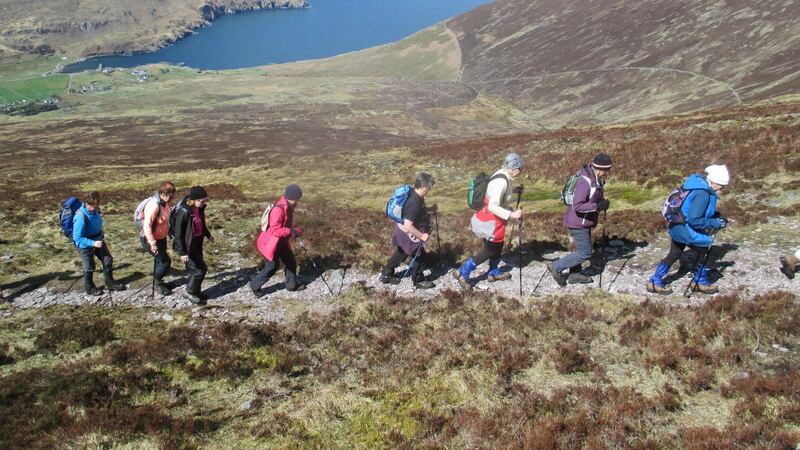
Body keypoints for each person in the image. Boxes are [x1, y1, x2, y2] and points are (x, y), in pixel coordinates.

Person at [646, 165, 730, 294]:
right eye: (722, 186)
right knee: (711, 251)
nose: (723, 190)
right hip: (686, 230)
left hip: (676, 226)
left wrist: (715, 216)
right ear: (715, 182)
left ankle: (654, 281)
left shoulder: (696, 186)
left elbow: (694, 211)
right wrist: (717, 223)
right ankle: (700, 282)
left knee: (674, 254)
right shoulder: (703, 194)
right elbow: (694, 219)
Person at [454, 153, 524, 290]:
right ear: (514, 168)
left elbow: (495, 192)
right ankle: (464, 272)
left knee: (497, 246)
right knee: (490, 250)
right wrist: (512, 215)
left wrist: (515, 190)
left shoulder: (501, 174)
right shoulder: (503, 181)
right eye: (520, 168)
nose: (521, 172)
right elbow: (493, 205)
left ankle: (493, 272)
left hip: (486, 218)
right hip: (491, 222)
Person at [547, 153, 612, 287]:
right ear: (600, 168)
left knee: (582, 249)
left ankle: (575, 274)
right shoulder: (585, 181)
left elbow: (591, 197)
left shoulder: (595, 177)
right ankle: (557, 266)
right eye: (607, 170)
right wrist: (597, 206)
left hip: (584, 220)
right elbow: (577, 205)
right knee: (586, 252)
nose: (608, 173)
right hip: (578, 222)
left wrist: (600, 202)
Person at [380, 173, 437, 289]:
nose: (429, 190)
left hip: (400, 231)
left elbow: (415, 213)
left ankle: (386, 274)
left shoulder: (412, 193)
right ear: (424, 187)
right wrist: (422, 236)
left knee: (401, 253)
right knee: (419, 255)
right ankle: (418, 280)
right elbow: (408, 225)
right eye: (429, 187)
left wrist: (429, 209)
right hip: (409, 234)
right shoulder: (415, 203)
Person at [250, 184, 307, 297]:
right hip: (269, 244)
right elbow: (274, 230)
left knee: (290, 261)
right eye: (298, 199)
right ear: (294, 198)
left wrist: (293, 231)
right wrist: (290, 231)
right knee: (271, 267)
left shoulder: (288, 207)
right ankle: (254, 286)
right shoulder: (278, 210)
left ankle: (292, 285)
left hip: (280, 242)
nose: (298, 201)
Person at [72, 191, 126, 296]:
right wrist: (93, 243)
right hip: (85, 246)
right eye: (93, 205)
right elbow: (77, 237)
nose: (95, 207)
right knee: (89, 267)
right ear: (86, 204)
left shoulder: (94, 210)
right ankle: (90, 288)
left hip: (98, 240)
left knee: (108, 260)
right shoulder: (80, 217)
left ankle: (109, 283)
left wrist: (100, 234)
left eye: (97, 204)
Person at [173, 186, 213, 303]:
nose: (204, 202)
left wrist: (208, 235)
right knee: (200, 269)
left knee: (193, 269)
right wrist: (182, 252)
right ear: (194, 200)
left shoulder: (200, 209)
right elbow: (178, 233)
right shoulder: (185, 212)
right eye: (202, 201)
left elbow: (201, 224)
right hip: (187, 246)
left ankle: (195, 291)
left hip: (196, 243)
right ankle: (189, 291)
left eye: (205, 200)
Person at [140, 181, 175, 295]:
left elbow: (164, 220)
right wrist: (152, 243)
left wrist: (168, 232)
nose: (172, 198)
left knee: (160, 261)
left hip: (161, 238)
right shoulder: (154, 205)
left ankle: (158, 281)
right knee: (165, 262)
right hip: (150, 240)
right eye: (171, 195)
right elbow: (147, 225)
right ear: (164, 194)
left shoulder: (164, 204)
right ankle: (157, 283)